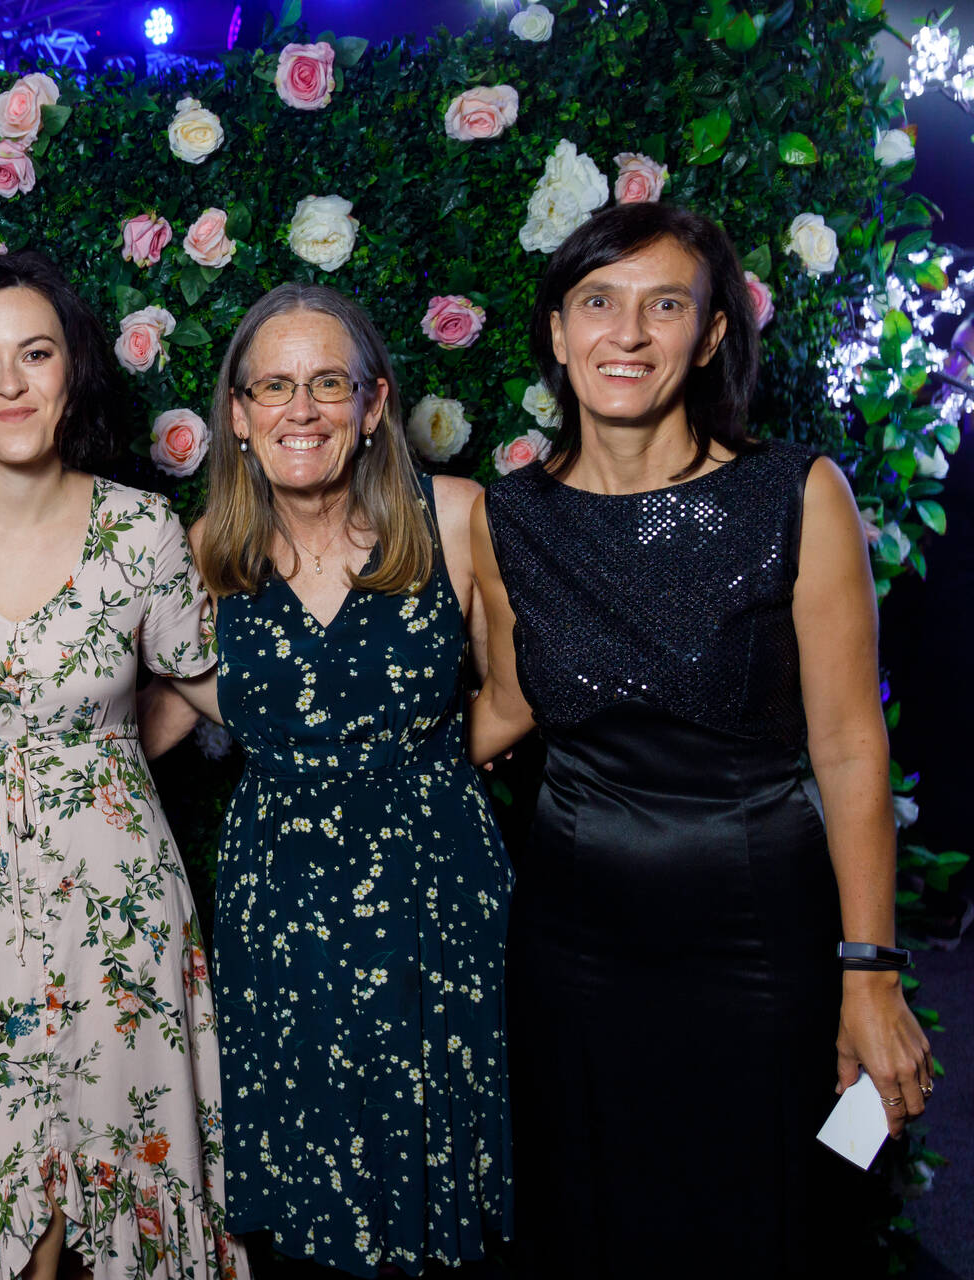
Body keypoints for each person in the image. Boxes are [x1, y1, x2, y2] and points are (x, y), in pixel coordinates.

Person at [469, 201, 935, 1277]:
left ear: (713, 332)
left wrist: (870, 971)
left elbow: (850, 749)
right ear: (558, 332)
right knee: (588, 1224)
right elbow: (506, 704)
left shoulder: (795, 494)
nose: (627, 333)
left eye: (665, 305)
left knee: (764, 1224)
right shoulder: (509, 519)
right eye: (598, 301)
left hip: (758, 945)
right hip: (572, 954)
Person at [0, 251, 243, 1280]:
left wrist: (93, 760)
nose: (11, 385)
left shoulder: (140, 528)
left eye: (35, 354)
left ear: (73, 367)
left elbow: (207, 685)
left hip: (115, 910)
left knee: (128, 1180)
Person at [149, 283, 513, 1274]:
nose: (300, 409)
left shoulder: (456, 517)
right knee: (310, 1210)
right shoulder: (207, 554)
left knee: (440, 1195)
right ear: (238, 414)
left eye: (328, 384)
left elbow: (519, 696)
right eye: (274, 386)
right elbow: (150, 719)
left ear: (374, 403)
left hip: (434, 898)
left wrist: (410, 772)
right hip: (283, 911)